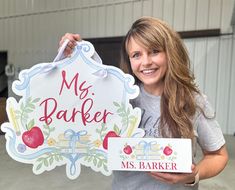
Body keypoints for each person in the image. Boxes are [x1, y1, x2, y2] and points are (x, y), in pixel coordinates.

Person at [59, 16, 228, 190]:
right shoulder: (121, 98)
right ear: (129, 60)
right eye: (136, 55)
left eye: (154, 51)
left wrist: (194, 175)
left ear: (171, 53)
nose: (146, 62)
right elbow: (91, 85)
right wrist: (77, 54)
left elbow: (218, 155)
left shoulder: (192, 101)